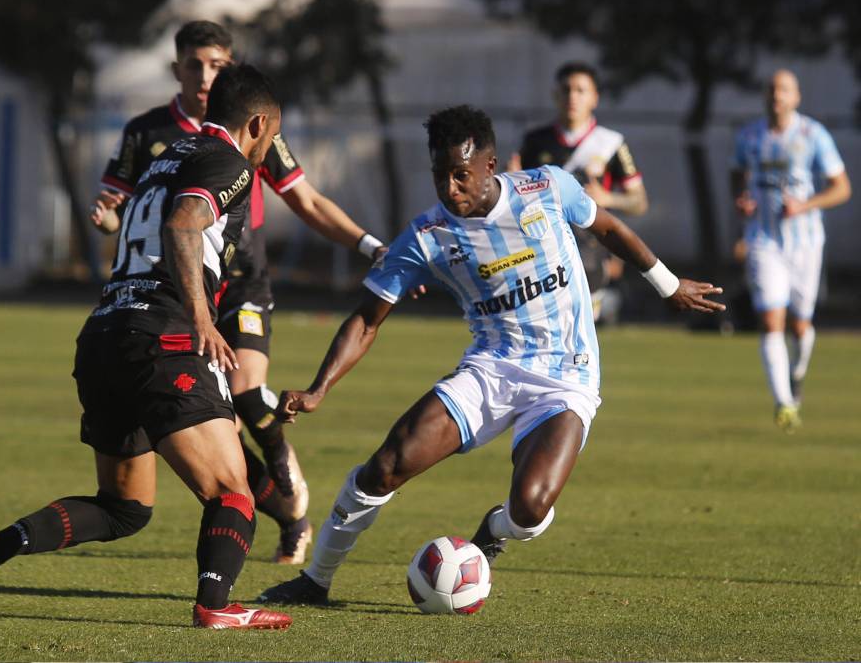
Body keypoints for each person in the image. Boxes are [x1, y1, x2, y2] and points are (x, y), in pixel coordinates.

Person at [256, 105, 724, 605]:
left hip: (566, 375)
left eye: (461, 175)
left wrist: (668, 285)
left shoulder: (546, 189)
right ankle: (315, 580)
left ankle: (494, 532)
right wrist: (319, 388)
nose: (450, 189)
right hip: (490, 369)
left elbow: (608, 228)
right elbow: (367, 319)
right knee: (387, 464)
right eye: (440, 176)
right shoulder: (427, 236)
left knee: (530, 509)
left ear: (490, 165)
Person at [0, 64, 293, 630]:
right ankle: (217, 605)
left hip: (106, 334)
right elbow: (183, 226)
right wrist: (202, 318)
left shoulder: (166, 158)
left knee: (123, 508)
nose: (270, 148)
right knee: (233, 490)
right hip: (164, 335)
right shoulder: (228, 162)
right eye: (272, 135)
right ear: (257, 124)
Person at [90, 21, 390, 564]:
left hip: (239, 278)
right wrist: (107, 221)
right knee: (216, 421)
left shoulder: (253, 125)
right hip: (172, 288)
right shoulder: (147, 132)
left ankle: (282, 466)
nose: (206, 75)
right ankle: (288, 515)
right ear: (177, 67)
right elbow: (122, 214)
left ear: (229, 70)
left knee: (247, 391)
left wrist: (370, 246)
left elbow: (310, 202)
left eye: (217, 66)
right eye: (195, 64)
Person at [731, 69, 851, 433]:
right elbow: (737, 174)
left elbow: (841, 188)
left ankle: (797, 372)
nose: (776, 95)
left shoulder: (812, 135)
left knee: (800, 325)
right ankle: (784, 403)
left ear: (796, 97)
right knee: (771, 321)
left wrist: (806, 204)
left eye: (784, 90)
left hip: (805, 244)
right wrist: (741, 199)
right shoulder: (749, 136)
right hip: (763, 240)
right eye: (771, 89)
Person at [509, 62, 648, 324]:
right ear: (556, 95)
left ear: (594, 98)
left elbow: (639, 202)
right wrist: (509, 180)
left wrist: (607, 198)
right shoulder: (535, 141)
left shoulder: (611, 143)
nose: (572, 96)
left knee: (576, 331)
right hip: (541, 252)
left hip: (590, 255)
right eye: (566, 89)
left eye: (581, 90)